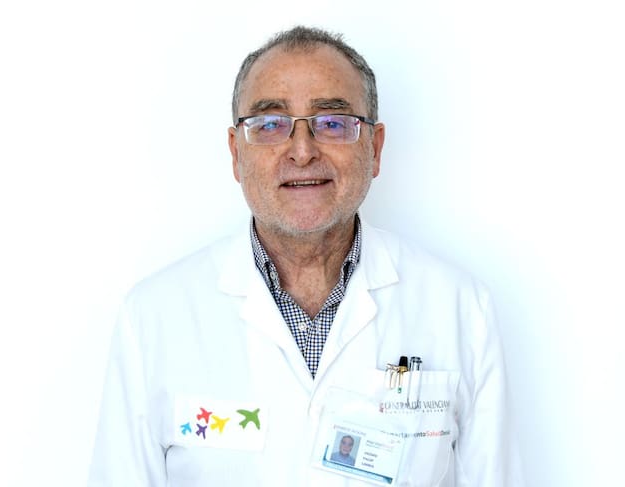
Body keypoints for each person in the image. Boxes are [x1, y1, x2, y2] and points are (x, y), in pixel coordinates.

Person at [88, 26, 521, 486]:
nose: (301, 151)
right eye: (270, 125)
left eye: (332, 123)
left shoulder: (460, 308)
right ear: (236, 154)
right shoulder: (153, 317)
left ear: (374, 149)